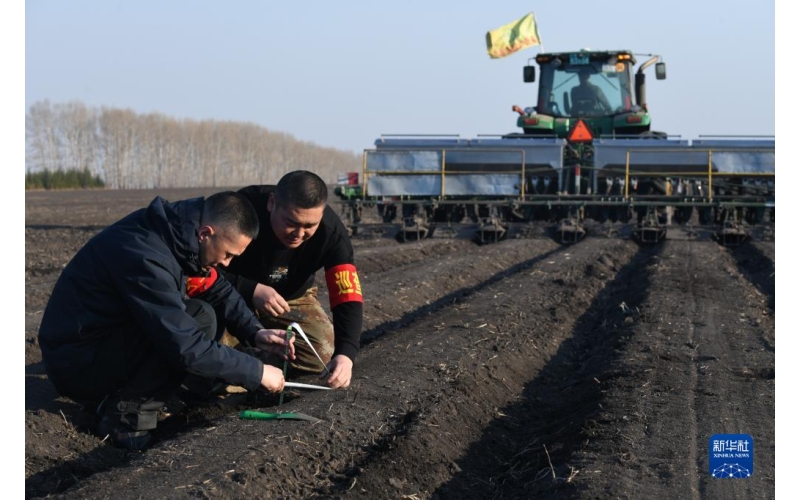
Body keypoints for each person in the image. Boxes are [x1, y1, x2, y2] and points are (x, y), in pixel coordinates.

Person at [38, 191, 296, 450]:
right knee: (196, 320)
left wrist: (254, 332)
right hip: (77, 362)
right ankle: (125, 417)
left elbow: (217, 288)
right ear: (206, 233)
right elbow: (186, 346)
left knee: (201, 313)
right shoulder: (147, 255)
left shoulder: (177, 237)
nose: (226, 263)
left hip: (99, 341)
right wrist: (257, 371)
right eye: (228, 254)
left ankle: (160, 391)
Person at [222, 170, 362, 389]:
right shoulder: (240, 211)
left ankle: (266, 366)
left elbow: (347, 295)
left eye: (309, 226)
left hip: (292, 297)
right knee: (206, 345)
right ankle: (241, 372)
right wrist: (250, 289)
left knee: (325, 356)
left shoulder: (332, 233)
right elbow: (203, 270)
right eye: (291, 222)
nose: (298, 233)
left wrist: (346, 355)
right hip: (232, 294)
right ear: (271, 203)